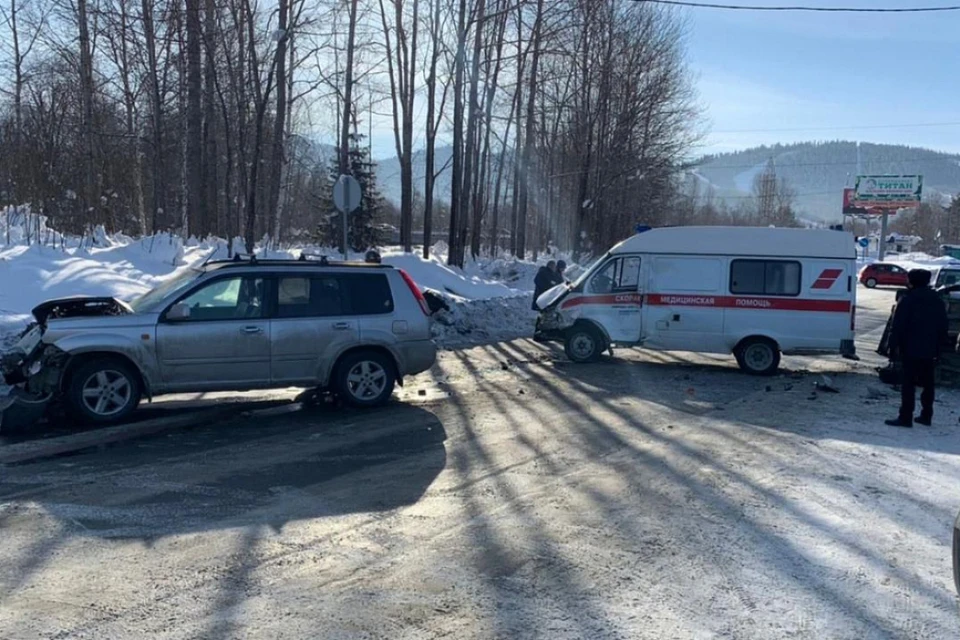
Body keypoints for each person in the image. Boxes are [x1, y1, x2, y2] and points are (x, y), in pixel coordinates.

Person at [885, 268, 949, 428]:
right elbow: (943, 326)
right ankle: (926, 415)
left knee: (908, 384)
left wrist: (892, 347)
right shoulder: (937, 300)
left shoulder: (907, 300)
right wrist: (940, 347)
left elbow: (897, 325)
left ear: (912, 281)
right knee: (928, 383)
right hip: (931, 349)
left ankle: (905, 417)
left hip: (910, 348)